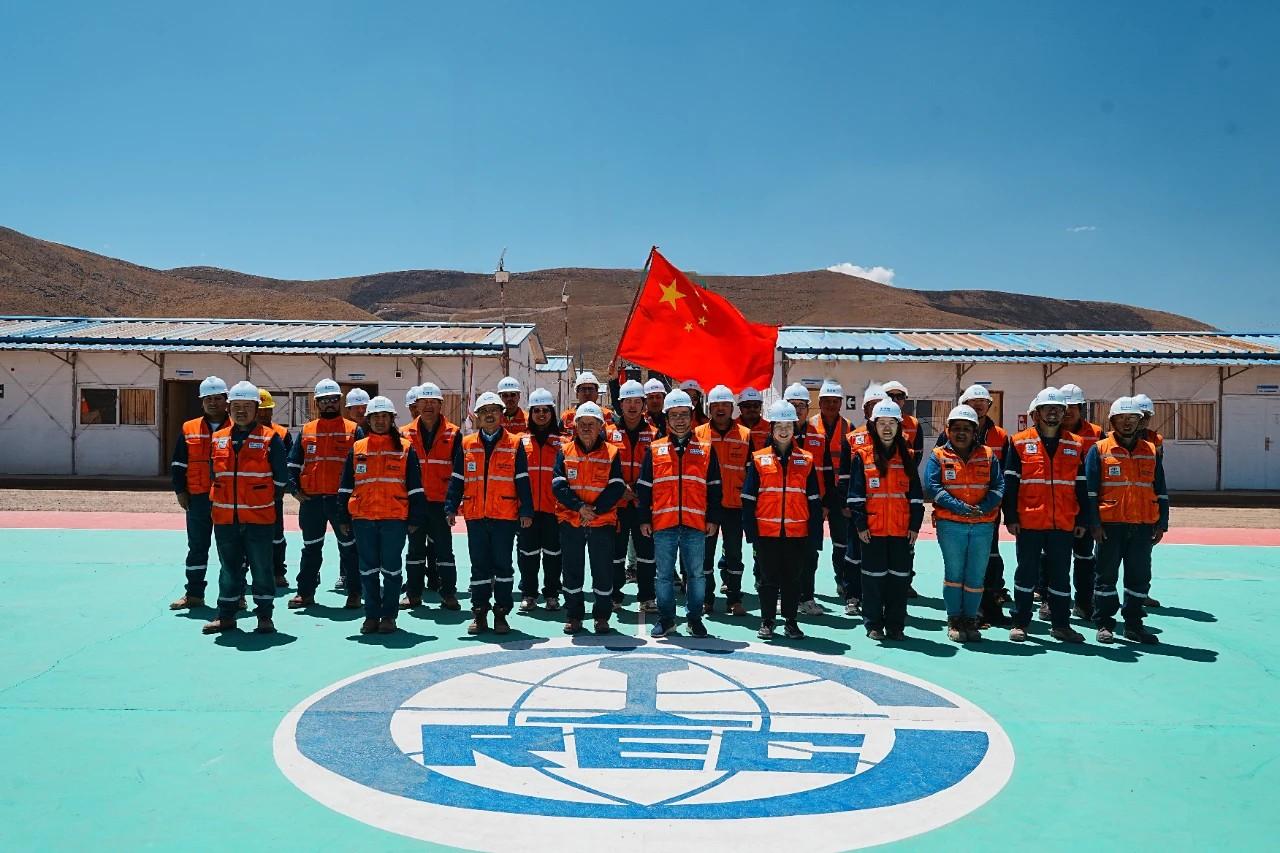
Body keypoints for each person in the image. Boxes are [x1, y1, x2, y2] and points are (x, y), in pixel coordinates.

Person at [200, 381, 288, 635]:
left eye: (247, 406)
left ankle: (264, 617)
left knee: (262, 569)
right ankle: (226, 616)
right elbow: (213, 475)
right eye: (236, 406)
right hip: (225, 519)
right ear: (228, 408)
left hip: (259, 519)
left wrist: (259, 499)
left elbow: (281, 479)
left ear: (257, 409)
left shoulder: (270, 438)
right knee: (228, 569)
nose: (241, 411)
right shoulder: (217, 439)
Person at [1003, 387, 1089, 643]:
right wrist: (1011, 516)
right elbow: (1011, 483)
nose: (1053, 412)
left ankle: (1061, 625)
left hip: (1063, 522)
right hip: (1029, 521)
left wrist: (1082, 518)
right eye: (1048, 408)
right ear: (1037, 413)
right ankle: (1020, 623)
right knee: (1026, 575)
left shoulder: (1076, 443)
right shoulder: (1019, 442)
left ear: (1064, 413)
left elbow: (1081, 485)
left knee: (1060, 576)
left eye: (1058, 409)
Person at [445, 392, 534, 635]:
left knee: (503, 566)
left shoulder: (514, 443)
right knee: (479, 567)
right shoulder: (466, 444)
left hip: (504, 516)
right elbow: (457, 479)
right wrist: (451, 506)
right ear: (477, 417)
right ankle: (480, 613)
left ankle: (501, 614)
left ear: (502, 414)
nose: (489, 415)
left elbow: (522, 480)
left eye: (494, 410)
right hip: (475, 516)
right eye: (484, 411)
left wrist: (526, 510)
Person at [337, 396, 427, 634]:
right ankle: (371, 616)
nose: (379, 421)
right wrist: (343, 516)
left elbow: (415, 486)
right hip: (363, 519)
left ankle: (388, 616)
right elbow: (346, 485)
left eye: (384, 416)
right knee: (367, 570)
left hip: (394, 518)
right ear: (368, 420)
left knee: (391, 569)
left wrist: (415, 518)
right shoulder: (357, 448)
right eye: (375, 416)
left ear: (391, 419)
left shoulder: (405, 448)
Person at [637, 389, 722, 639]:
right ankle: (666, 619)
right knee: (663, 575)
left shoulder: (706, 449)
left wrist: (713, 518)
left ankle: (694, 619)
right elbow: (644, 488)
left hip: (695, 524)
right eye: (674, 415)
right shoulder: (655, 449)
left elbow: (715, 487)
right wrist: (644, 519)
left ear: (691, 415)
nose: (680, 420)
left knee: (696, 575)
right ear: (666, 418)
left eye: (684, 414)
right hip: (663, 524)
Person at [1086, 397, 1170, 644]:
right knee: (1105, 577)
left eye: (1132, 418)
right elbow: (1090, 492)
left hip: (1142, 526)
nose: (1127, 422)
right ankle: (1104, 624)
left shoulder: (1150, 450)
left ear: (1140, 422)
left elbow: (1160, 489)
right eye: (1121, 418)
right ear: (1112, 421)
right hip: (1110, 526)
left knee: (1139, 577)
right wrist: (1094, 524)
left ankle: (1134, 625)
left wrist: (1162, 522)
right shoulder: (1099, 450)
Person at [742, 400, 822, 639]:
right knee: (767, 580)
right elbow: (748, 499)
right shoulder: (759, 459)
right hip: (766, 533)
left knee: (792, 580)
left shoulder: (806, 460)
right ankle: (767, 621)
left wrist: (815, 536)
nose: (784, 430)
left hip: (797, 534)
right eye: (779, 426)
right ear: (772, 428)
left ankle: (791, 621)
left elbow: (814, 501)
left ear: (794, 428)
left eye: (788, 426)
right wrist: (751, 533)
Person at [925, 404, 1004, 643]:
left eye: (966, 429)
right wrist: (959, 507)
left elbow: (999, 485)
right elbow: (933, 486)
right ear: (947, 430)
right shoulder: (938, 455)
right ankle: (954, 619)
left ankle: (970, 619)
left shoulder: (988, 455)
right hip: (951, 525)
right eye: (956, 428)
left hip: (982, 525)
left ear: (974, 431)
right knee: (954, 574)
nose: (961, 433)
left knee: (976, 576)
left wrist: (984, 507)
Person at [848, 400, 923, 641]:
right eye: (882, 423)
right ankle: (873, 624)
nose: (887, 428)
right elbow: (855, 495)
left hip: (901, 530)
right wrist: (861, 525)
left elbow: (915, 497)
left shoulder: (908, 456)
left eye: (892, 423)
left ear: (899, 426)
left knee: (899, 579)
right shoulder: (863, 456)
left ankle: (895, 625)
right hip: (873, 530)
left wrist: (914, 526)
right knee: (873, 579)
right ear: (874, 426)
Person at [553, 402, 626, 634]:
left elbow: (616, 486)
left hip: (601, 521)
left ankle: (602, 616)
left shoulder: (612, 452)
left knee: (603, 571)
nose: (586, 428)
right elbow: (558, 485)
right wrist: (579, 507)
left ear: (600, 426)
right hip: (571, 520)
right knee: (571, 570)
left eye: (591, 424)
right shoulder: (564, 451)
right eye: (582, 424)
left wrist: (594, 510)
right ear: (575, 426)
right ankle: (574, 616)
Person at [287, 379, 361, 609]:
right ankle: (305, 592)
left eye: (333, 400)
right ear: (317, 403)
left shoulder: (353, 430)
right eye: (324, 400)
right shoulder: (307, 430)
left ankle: (355, 593)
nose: (329, 404)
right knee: (311, 548)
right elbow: (292, 462)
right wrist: (294, 489)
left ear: (339, 401)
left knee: (349, 548)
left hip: (341, 502)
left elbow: (364, 464)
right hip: (312, 501)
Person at [400, 382, 463, 611]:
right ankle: (413, 594)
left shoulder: (454, 433)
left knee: (444, 551)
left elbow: (459, 472)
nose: (428, 406)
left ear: (440, 405)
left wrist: (452, 505)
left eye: (433, 402)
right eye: (423, 402)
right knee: (415, 551)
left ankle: (448, 594)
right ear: (416, 405)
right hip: (415, 503)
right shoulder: (404, 433)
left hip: (441, 503)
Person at [169, 375, 228, 610]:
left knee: (230, 549)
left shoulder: (237, 427)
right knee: (197, 548)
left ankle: (236, 596)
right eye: (208, 399)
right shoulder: (189, 428)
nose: (213, 403)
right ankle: (194, 594)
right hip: (197, 497)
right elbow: (178, 463)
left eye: (217, 398)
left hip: (227, 499)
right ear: (202, 402)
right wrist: (180, 491)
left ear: (226, 400)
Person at [696, 385, 752, 616]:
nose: (720, 409)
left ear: (732, 408)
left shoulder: (745, 435)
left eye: (725, 405)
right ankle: (706, 598)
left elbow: (751, 472)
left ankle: (734, 599)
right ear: (709, 408)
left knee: (734, 555)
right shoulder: (698, 434)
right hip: (706, 506)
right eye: (716, 405)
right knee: (704, 556)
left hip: (734, 506)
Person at [610, 380, 658, 612]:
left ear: (643, 405)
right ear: (620, 404)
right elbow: (603, 467)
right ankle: (614, 595)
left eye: (637, 401)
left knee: (646, 554)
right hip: (616, 505)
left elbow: (659, 469)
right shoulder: (608, 433)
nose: (632, 406)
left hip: (643, 506)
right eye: (627, 401)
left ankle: (647, 597)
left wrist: (639, 491)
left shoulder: (655, 434)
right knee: (616, 554)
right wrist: (621, 489)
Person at [1058, 383, 1104, 619]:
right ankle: (1050, 600)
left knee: (1085, 556)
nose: (1068, 412)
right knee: (1053, 556)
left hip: (1086, 502)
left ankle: (1084, 602)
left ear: (1081, 408)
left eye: (1073, 407)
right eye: (1064, 407)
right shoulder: (1049, 431)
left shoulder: (1096, 433)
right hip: (1057, 502)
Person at [517, 388, 565, 612]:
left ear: (552, 413)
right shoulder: (520, 441)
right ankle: (529, 594)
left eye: (546, 410)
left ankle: (552, 594)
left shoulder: (563, 442)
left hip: (554, 510)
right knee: (527, 554)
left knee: (554, 554)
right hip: (528, 510)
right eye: (536, 410)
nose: (541, 414)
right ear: (531, 413)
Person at [808, 380, 853, 616]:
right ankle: (807, 589)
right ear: (820, 402)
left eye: (835, 401)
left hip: (840, 493)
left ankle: (842, 581)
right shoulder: (810, 427)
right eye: (827, 401)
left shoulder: (849, 427)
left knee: (841, 542)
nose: (831, 405)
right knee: (810, 544)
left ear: (841, 403)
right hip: (816, 491)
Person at [1130, 392, 1165, 608]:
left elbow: (1158, 476)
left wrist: (1161, 517)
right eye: (1140, 415)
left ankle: (1142, 593)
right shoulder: (1109, 439)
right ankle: (1101, 596)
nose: (1143, 420)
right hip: (1117, 505)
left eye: (1147, 416)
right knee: (1106, 560)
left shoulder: (1155, 440)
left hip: (1145, 505)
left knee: (1143, 556)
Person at [255, 388, 292, 587]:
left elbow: (288, 464)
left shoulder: (282, 434)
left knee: (277, 535)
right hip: (247, 495)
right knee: (249, 535)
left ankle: (278, 572)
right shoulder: (242, 432)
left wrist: (282, 488)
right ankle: (249, 573)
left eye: (266, 410)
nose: (263, 414)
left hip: (273, 494)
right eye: (259, 410)